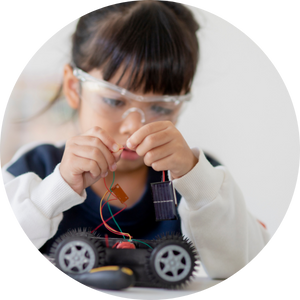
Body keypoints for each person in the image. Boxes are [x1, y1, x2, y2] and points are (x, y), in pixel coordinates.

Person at [1, 0, 270, 280]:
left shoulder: (201, 181)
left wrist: (198, 181)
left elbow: (242, 262)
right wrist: (56, 190)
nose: (133, 126)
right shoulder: (35, 167)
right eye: (113, 100)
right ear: (73, 87)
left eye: (160, 107)